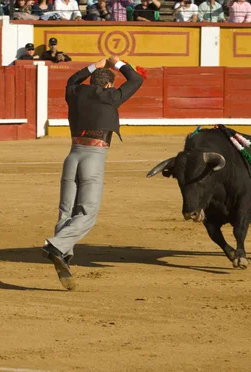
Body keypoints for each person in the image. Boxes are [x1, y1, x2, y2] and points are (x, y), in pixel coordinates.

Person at [41, 56, 144, 290]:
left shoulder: (75, 93)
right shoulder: (111, 96)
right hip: (93, 158)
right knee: (88, 212)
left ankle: (63, 257)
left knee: (66, 211)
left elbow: (72, 79)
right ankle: (56, 246)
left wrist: (95, 66)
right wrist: (117, 62)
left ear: (90, 82)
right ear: (109, 85)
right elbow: (136, 79)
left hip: (72, 157)